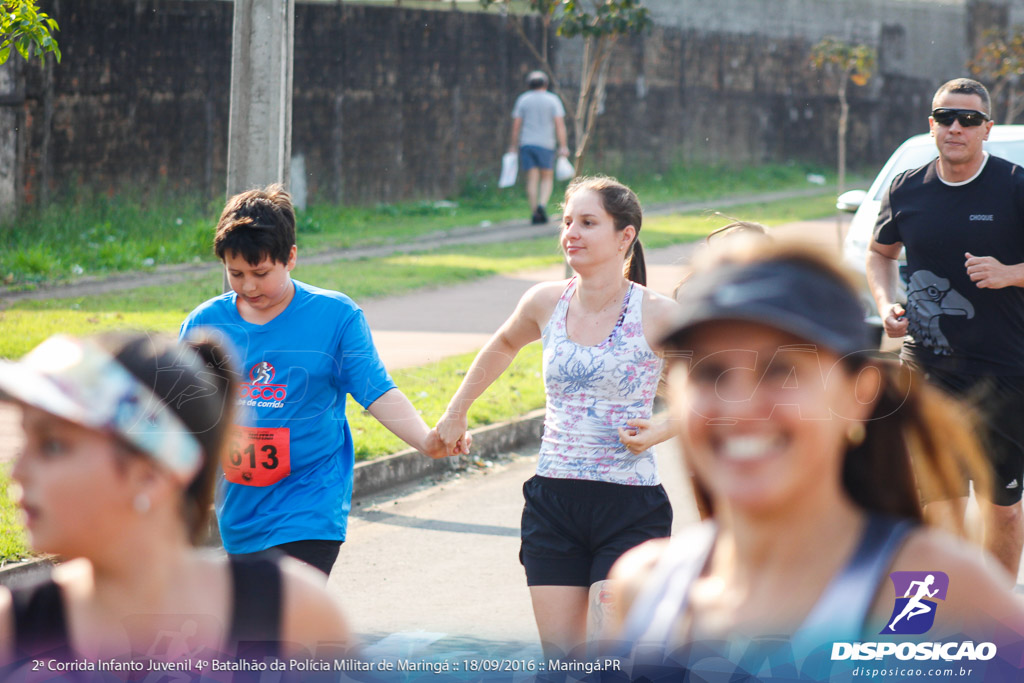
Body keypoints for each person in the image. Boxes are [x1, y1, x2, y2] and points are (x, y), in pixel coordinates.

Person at [608, 241, 1024, 678]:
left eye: (781, 371)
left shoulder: (930, 596)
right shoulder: (646, 585)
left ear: (858, 395)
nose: (739, 407)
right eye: (710, 373)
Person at [0, 332, 351, 671]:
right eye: (23, 444)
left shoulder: (296, 615)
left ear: (150, 475)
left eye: (52, 446)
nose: (17, 472)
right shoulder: (9, 632)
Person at [436, 176, 677, 658]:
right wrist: (455, 413)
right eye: (568, 221)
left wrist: (662, 428)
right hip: (553, 504)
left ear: (624, 236)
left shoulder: (658, 314)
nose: (572, 232)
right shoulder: (545, 301)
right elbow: (503, 344)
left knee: (610, 662)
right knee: (564, 662)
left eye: (589, 223)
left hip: (629, 510)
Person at [179, 184, 456, 578]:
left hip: (311, 501)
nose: (249, 286)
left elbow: (375, 389)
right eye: (235, 273)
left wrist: (425, 440)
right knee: (258, 633)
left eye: (261, 273)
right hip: (240, 510)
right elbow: (178, 409)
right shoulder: (205, 324)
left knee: (279, 620)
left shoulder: (335, 316)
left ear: (290, 258)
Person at [867, 77, 1024, 579]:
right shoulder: (907, 187)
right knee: (936, 500)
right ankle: (933, 613)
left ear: (987, 129)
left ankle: (997, 619)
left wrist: (1010, 274)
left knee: (1000, 507)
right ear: (931, 124)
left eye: (969, 119)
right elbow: (879, 253)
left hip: (1003, 369)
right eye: (945, 117)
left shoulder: (1015, 185)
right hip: (927, 365)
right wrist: (885, 301)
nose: (956, 127)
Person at [509, 70, 570, 225]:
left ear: (529, 85)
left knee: (532, 178)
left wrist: (513, 146)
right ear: (545, 84)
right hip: (546, 144)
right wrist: (563, 145)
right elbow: (559, 125)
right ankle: (542, 204)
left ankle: (534, 211)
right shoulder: (552, 100)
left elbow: (516, 126)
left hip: (527, 144)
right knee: (546, 177)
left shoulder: (523, 100)